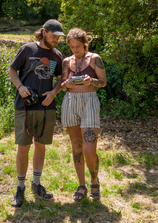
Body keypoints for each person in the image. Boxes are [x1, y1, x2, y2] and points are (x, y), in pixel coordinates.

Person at [8, 19, 64, 208]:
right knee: (23, 146)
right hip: (24, 106)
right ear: (44, 32)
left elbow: (60, 79)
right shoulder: (27, 49)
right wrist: (21, 87)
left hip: (47, 107)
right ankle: (20, 187)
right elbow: (11, 69)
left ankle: (36, 184)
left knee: (41, 145)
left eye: (59, 37)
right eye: (54, 35)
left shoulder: (57, 55)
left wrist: (54, 92)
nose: (57, 39)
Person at [60, 27, 106, 201]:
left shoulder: (95, 59)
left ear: (85, 43)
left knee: (89, 148)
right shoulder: (66, 62)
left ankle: (94, 180)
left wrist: (91, 81)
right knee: (77, 146)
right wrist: (67, 85)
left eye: (78, 46)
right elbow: (62, 85)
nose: (75, 50)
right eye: (72, 47)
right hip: (70, 102)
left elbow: (103, 82)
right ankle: (82, 184)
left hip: (89, 102)